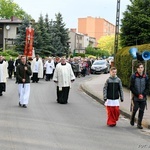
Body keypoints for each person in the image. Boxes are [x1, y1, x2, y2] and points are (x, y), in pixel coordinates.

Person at [130, 63, 149, 129]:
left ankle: (139, 124)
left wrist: (143, 94)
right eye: (139, 68)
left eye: (141, 67)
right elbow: (131, 87)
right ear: (137, 69)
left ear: (143, 68)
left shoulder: (146, 77)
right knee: (135, 108)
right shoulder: (133, 76)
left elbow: (147, 87)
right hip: (136, 96)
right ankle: (132, 118)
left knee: (141, 110)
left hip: (143, 97)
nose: (140, 69)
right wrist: (137, 94)